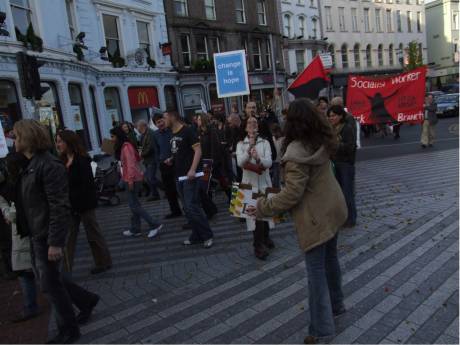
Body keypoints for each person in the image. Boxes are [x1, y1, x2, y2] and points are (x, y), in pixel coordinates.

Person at [246, 98, 348, 344]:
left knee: (316, 273)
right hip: (333, 207)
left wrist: (260, 206)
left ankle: (321, 329)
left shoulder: (296, 152)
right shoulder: (321, 139)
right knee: (330, 260)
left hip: (316, 217)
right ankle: (337, 306)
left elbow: (292, 194)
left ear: (291, 122)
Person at [14, 119, 100, 344]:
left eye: (17, 135)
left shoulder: (48, 165)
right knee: (53, 279)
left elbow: (59, 206)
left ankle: (69, 328)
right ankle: (86, 300)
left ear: (28, 138)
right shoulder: (30, 165)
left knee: (51, 285)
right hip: (36, 232)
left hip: (45, 234)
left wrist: (55, 242)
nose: (13, 139)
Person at [55, 130, 112, 274]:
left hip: (84, 204)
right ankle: (64, 272)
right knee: (68, 239)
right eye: (57, 141)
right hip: (69, 206)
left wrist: (78, 202)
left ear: (69, 142)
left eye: (60, 141)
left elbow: (87, 186)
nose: (58, 144)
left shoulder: (82, 160)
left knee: (93, 234)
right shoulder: (60, 161)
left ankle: (103, 262)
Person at [163, 110, 214, 248]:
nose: (163, 120)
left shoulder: (188, 131)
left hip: (191, 175)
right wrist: (171, 159)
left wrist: (192, 169)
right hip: (179, 176)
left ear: (173, 117)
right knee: (187, 207)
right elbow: (180, 152)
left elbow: (198, 151)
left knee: (192, 206)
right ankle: (196, 235)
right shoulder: (172, 134)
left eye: (165, 117)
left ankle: (207, 235)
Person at [0, 152, 39, 322]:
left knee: (36, 272)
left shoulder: (18, 184)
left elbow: (14, 213)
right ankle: (30, 305)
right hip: (26, 233)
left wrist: (7, 211)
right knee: (30, 271)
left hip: (27, 232)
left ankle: (31, 306)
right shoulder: (15, 183)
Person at [110, 127, 163, 238]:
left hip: (132, 179)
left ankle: (154, 224)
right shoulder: (125, 146)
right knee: (134, 205)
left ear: (118, 136)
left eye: (113, 136)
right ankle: (135, 228)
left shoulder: (126, 147)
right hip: (130, 178)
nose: (111, 139)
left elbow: (131, 164)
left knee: (134, 206)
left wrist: (129, 180)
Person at [236, 117, 274, 260]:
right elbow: (240, 162)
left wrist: (258, 159)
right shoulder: (240, 143)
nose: (253, 124)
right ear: (245, 128)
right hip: (248, 183)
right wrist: (250, 147)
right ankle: (258, 245)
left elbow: (269, 162)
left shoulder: (265, 142)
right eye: (249, 123)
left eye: (255, 122)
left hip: (264, 182)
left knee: (266, 213)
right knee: (254, 217)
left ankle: (265, 238)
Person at [327, 105, 357, 228]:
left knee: (347, 192)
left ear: (340, 116)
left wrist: (335, 145)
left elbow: (350, 147)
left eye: (333, 115)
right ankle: (342, 218)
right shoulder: (331, 129)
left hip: (345, 164)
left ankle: (351, 218)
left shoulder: (347, 128)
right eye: (329, 116)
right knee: (339, 193)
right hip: (335, 163)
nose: (331, 118)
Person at [153, 114, 182, 219]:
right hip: (163, 164)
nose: (160, 124)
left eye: (161, 121)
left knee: (180, 187)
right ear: (155, 125)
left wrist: (172, 158)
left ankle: (189, 209)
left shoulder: (171, 131)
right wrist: (159, 161)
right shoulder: (155, 135)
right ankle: (175, 210)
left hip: (175, 162)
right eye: (158, 122)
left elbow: (177, 146)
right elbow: (156, 150)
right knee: (169, 190)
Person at [137, 120, 161, 201]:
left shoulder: (150, 133)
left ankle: (157, 193)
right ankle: (162, 190)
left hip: (152, 159)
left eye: (138, 127)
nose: (137, 129)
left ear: (142, 126)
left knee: (150, 178)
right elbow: (142, 146)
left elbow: (150, 147)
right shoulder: (143, 135)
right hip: (147, 160)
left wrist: (142, 154)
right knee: (149, 177)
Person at [271, 124, 284, 189]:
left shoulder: (282, 139)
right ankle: (276, 188)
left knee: (277, 175)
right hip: (276, 159)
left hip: (279, 160)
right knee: (276, 175)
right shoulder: (273, 138)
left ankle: (277, 188)